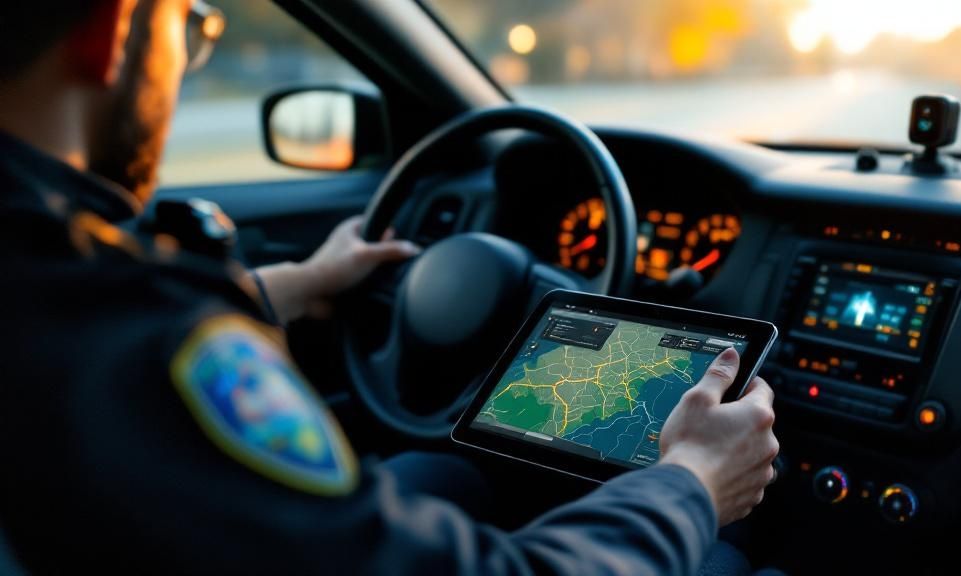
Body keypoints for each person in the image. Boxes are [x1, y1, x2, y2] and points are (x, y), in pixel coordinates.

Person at [0, 1, 780, 573]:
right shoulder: (133, 341)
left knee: (439, 474)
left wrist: (298, 285)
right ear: (113, 29)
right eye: (190, 27)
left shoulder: (63, 306)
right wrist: (693, 483)